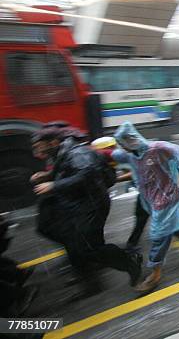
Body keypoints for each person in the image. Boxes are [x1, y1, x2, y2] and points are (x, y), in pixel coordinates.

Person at [30, 126, 142, 296]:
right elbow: (68, 171)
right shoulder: (61, 152)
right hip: (78, 205)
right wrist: (48, 176)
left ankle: (129, 261)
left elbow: (87, 174)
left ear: (52, 142)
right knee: (75, 245)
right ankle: (90, 283)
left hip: (92, 205)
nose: (36, 151)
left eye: (39, 146)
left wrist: (54, 185)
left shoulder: (78, 153)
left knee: (88, 247)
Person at [113, 122, 179, 293]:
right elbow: (115, 156)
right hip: (152, 200)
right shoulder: (132, 155)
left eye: (124, 143)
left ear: (132, 139)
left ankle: (155, 274)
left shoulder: (157, 148)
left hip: (167, 197)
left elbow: (178, 152)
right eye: (121, 145)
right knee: (172, 224)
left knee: (159, 234)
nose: (123, 147)